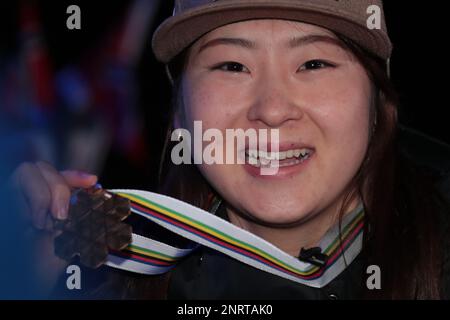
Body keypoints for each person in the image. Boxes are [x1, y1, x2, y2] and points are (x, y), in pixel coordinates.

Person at [9, 0, 450, 300]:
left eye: (314, 63)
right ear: (179, 112)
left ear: (377, 103)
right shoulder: (108, 277)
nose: (273, 109)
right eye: (232, 66)